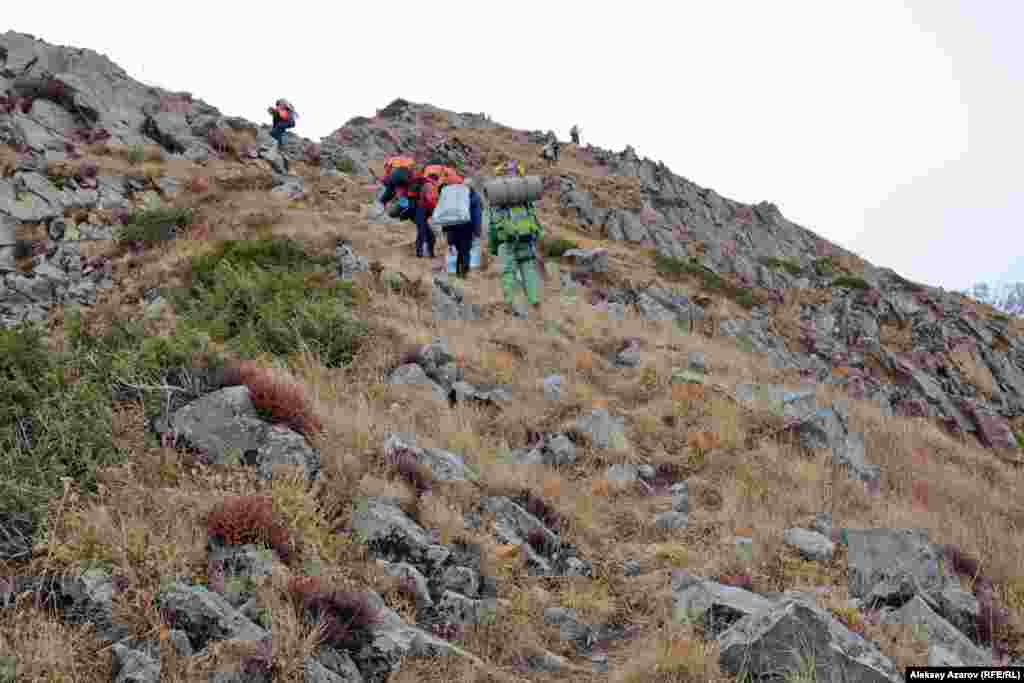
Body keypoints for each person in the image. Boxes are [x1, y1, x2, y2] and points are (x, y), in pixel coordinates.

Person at [488, 160, 545, 316]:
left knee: (508, 272)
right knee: (528, 269)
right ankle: (534, 301)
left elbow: (493, 223)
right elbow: (533, 215)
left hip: (506, 240)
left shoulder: (498, 195)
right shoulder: (525, 194)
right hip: (526, 237)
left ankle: (509, 302)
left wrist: (493, 245)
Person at [413, 163, 466, 260]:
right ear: (435, 178)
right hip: (422, 211)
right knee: (424, 233)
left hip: (423, 212)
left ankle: (428, 254)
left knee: (428, 236)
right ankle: (420, 254)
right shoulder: (429, 185)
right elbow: (431, 199)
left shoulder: (430, 185)